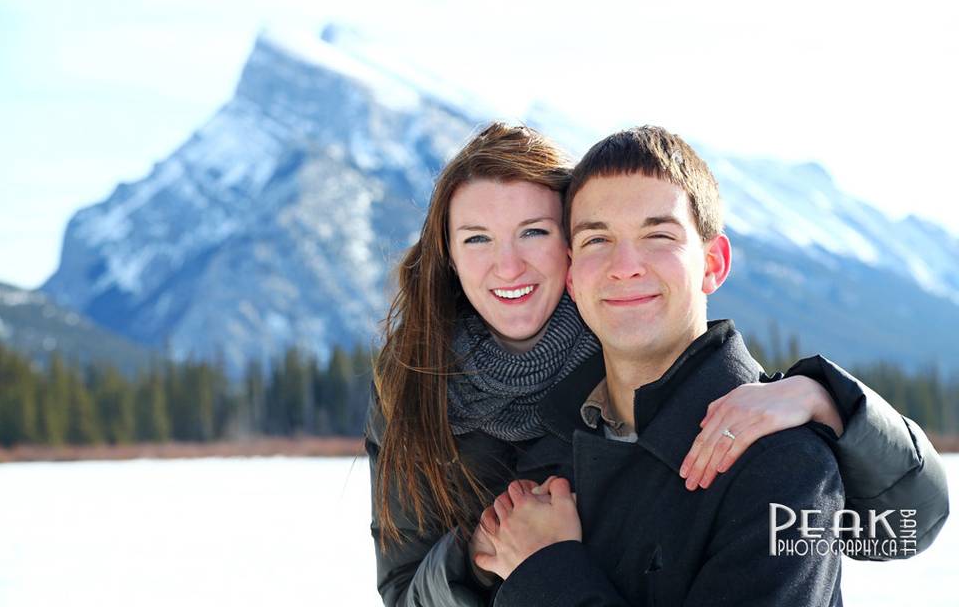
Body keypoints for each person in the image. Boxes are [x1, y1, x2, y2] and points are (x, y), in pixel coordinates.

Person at [366, 123, 949, 607]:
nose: (625, 267)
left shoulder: (778, 456)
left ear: (712, 264)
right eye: (597, 240)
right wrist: (483, 552)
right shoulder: (558, 448)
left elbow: (902, 529)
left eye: (658, 236)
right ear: (577, 268)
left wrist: (833, 404)